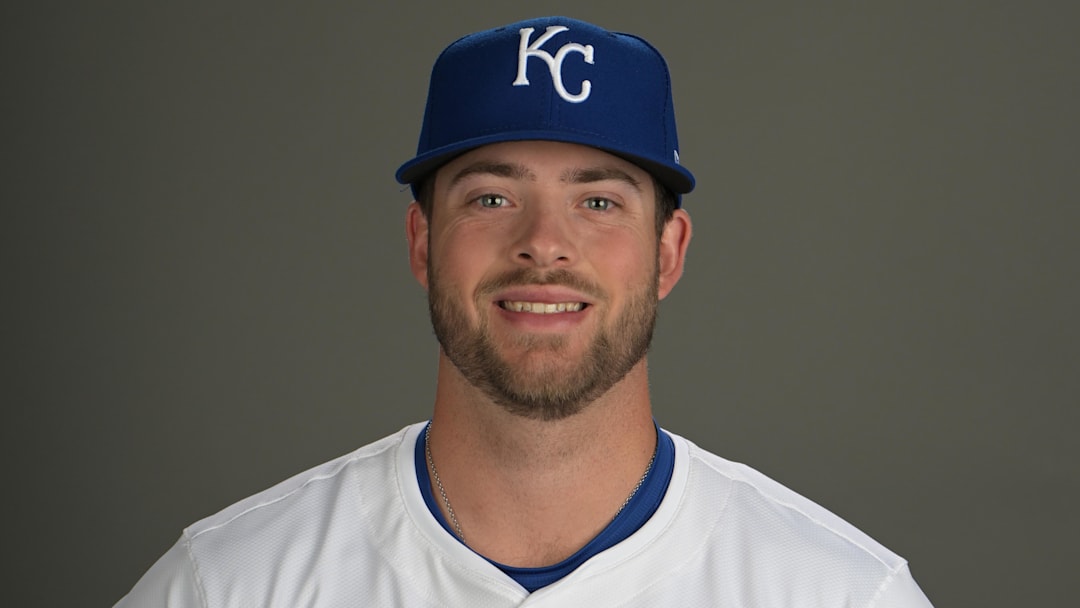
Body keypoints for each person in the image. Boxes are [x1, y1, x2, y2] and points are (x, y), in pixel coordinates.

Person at [116, 16, 933, 607]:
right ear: (424, 243)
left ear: (668, 252)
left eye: (600, 202)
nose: (544, 244)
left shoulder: (840, 593)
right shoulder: (228, 584)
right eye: (493, 197)